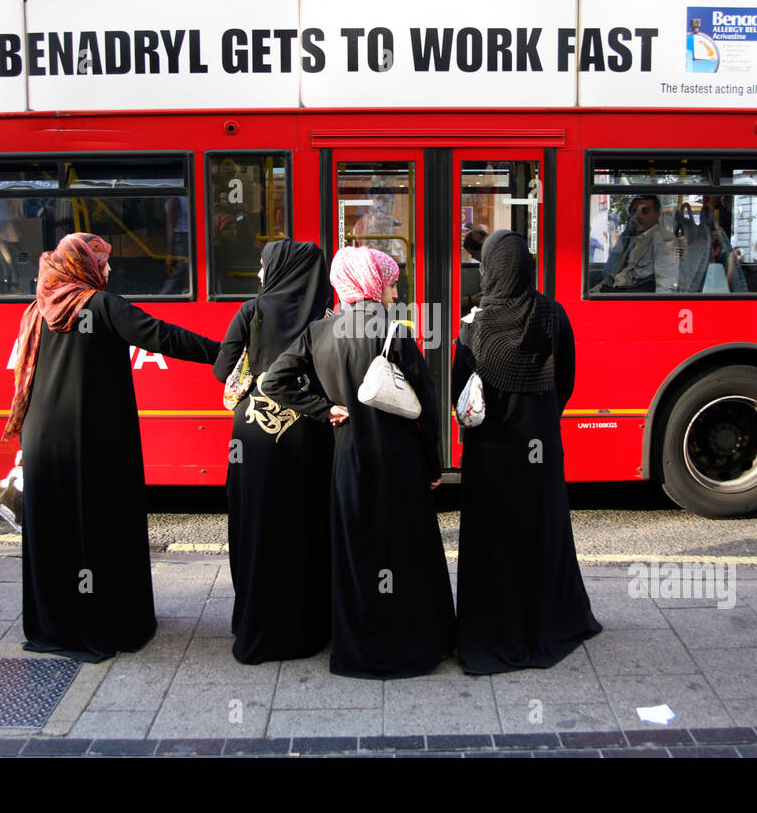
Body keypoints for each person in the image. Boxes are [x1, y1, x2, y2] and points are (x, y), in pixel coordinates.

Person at [3, 232, 220, 662]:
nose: (108, 270)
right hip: (93, 438)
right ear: (83, 266)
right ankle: (109, 623)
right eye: (102, 262)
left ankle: (56, 626)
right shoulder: (99, 305)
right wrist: (227, 352)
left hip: (44, 437)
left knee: (58, 530)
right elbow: (163, 337)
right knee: (102, 526)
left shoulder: (38, 308)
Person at [263, 246, 455, 679]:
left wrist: (322, 408)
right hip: (399, 460)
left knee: (356, 553)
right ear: (372, 283)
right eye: (390, 281)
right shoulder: (395, 331)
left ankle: (358, 650)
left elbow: (274, 379)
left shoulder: (320, 331)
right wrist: (433, 466)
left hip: (348, 457)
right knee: (406, 551)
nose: (394, 289)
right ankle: (414, 645)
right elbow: (426, 405)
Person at [451, 231, 601, 674]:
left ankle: (496, 628)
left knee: (492, 539)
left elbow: (463, 391)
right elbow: (567, 381)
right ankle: (550, 621)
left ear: (492, 268)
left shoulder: (473, 324)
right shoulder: (553, 315)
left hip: (490, 454)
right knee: (542, 531)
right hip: (540, 448)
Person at [212, 239, 335, 664]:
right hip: (311, 430)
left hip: (255, 434)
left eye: (264, 266)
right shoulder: (325, 315)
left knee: (258, 524)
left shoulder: (252, 310)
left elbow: (223, 369)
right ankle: (309, 625)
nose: (260, 275)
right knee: (307, 525)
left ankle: (255, 621)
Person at [592, 194, 678, 293]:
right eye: (635, 212)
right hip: (613, 288)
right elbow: (613, 271)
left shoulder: (664, 239)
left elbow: (665, 286)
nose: (639, 216)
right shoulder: (632, 237)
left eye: (645, 211)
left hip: (631, 297)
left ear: (657, 214)